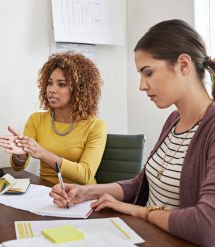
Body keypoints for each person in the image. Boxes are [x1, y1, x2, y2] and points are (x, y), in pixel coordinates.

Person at [50, 19, 215, 246]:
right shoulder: (174, 120)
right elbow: (142, 183)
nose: (142, 85)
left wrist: (138, 211)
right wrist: (87, 192)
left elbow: (207, 224)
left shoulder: (212, 128)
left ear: (183, 64)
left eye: (148, 73)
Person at [0, 52, 107, 185]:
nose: (51, 90)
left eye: (61, 84)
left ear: (79, 89)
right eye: (49, 83)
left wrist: (43, 153)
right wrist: (21, 154)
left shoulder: (95, 126)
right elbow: (18, 168)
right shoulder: (36, 120)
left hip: (81, 196)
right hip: (46, 192)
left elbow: (85, 174)